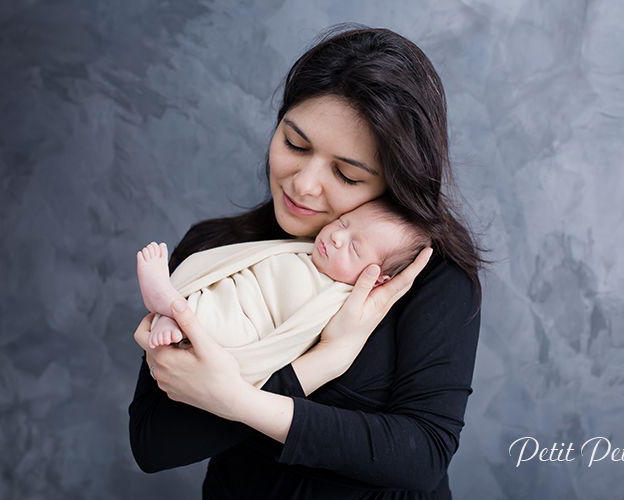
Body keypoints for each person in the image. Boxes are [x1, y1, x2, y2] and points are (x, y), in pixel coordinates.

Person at [129, 24, 484, 499]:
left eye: (346, 173)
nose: (304, 184)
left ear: (396, 181)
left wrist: (236, 401)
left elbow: (421, 456)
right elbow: (154, 445)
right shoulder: (219, 253)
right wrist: (319, 365)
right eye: (295, 144)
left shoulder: (428, 277)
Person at [136, 198, 430, 388]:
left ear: (377, 279)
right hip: (238, 296)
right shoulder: (305, 247)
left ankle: (170, 305)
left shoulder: (339, 298)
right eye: (343, 223)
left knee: (231, 333)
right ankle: (175, 310)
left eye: (354, 247)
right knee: (219, 290)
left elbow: (291, 336)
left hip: (250, 328)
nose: (337, 237)